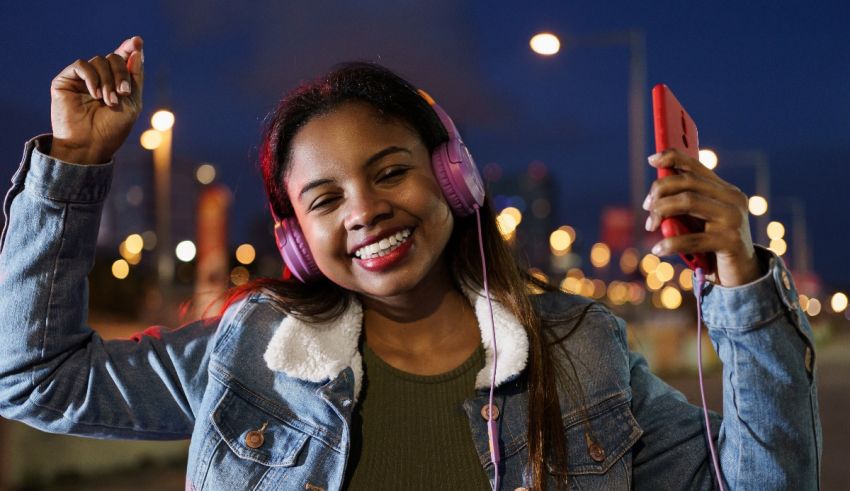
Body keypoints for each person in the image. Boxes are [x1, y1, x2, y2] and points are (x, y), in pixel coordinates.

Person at [0, 36, 820, 491]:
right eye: (324, 199)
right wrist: (73, 167)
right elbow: (32, 377)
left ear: (451, 176)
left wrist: (744, 287)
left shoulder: (581, 351)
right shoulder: (252, 350)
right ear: (296, 236)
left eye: (390, 170)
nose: (364, 210)